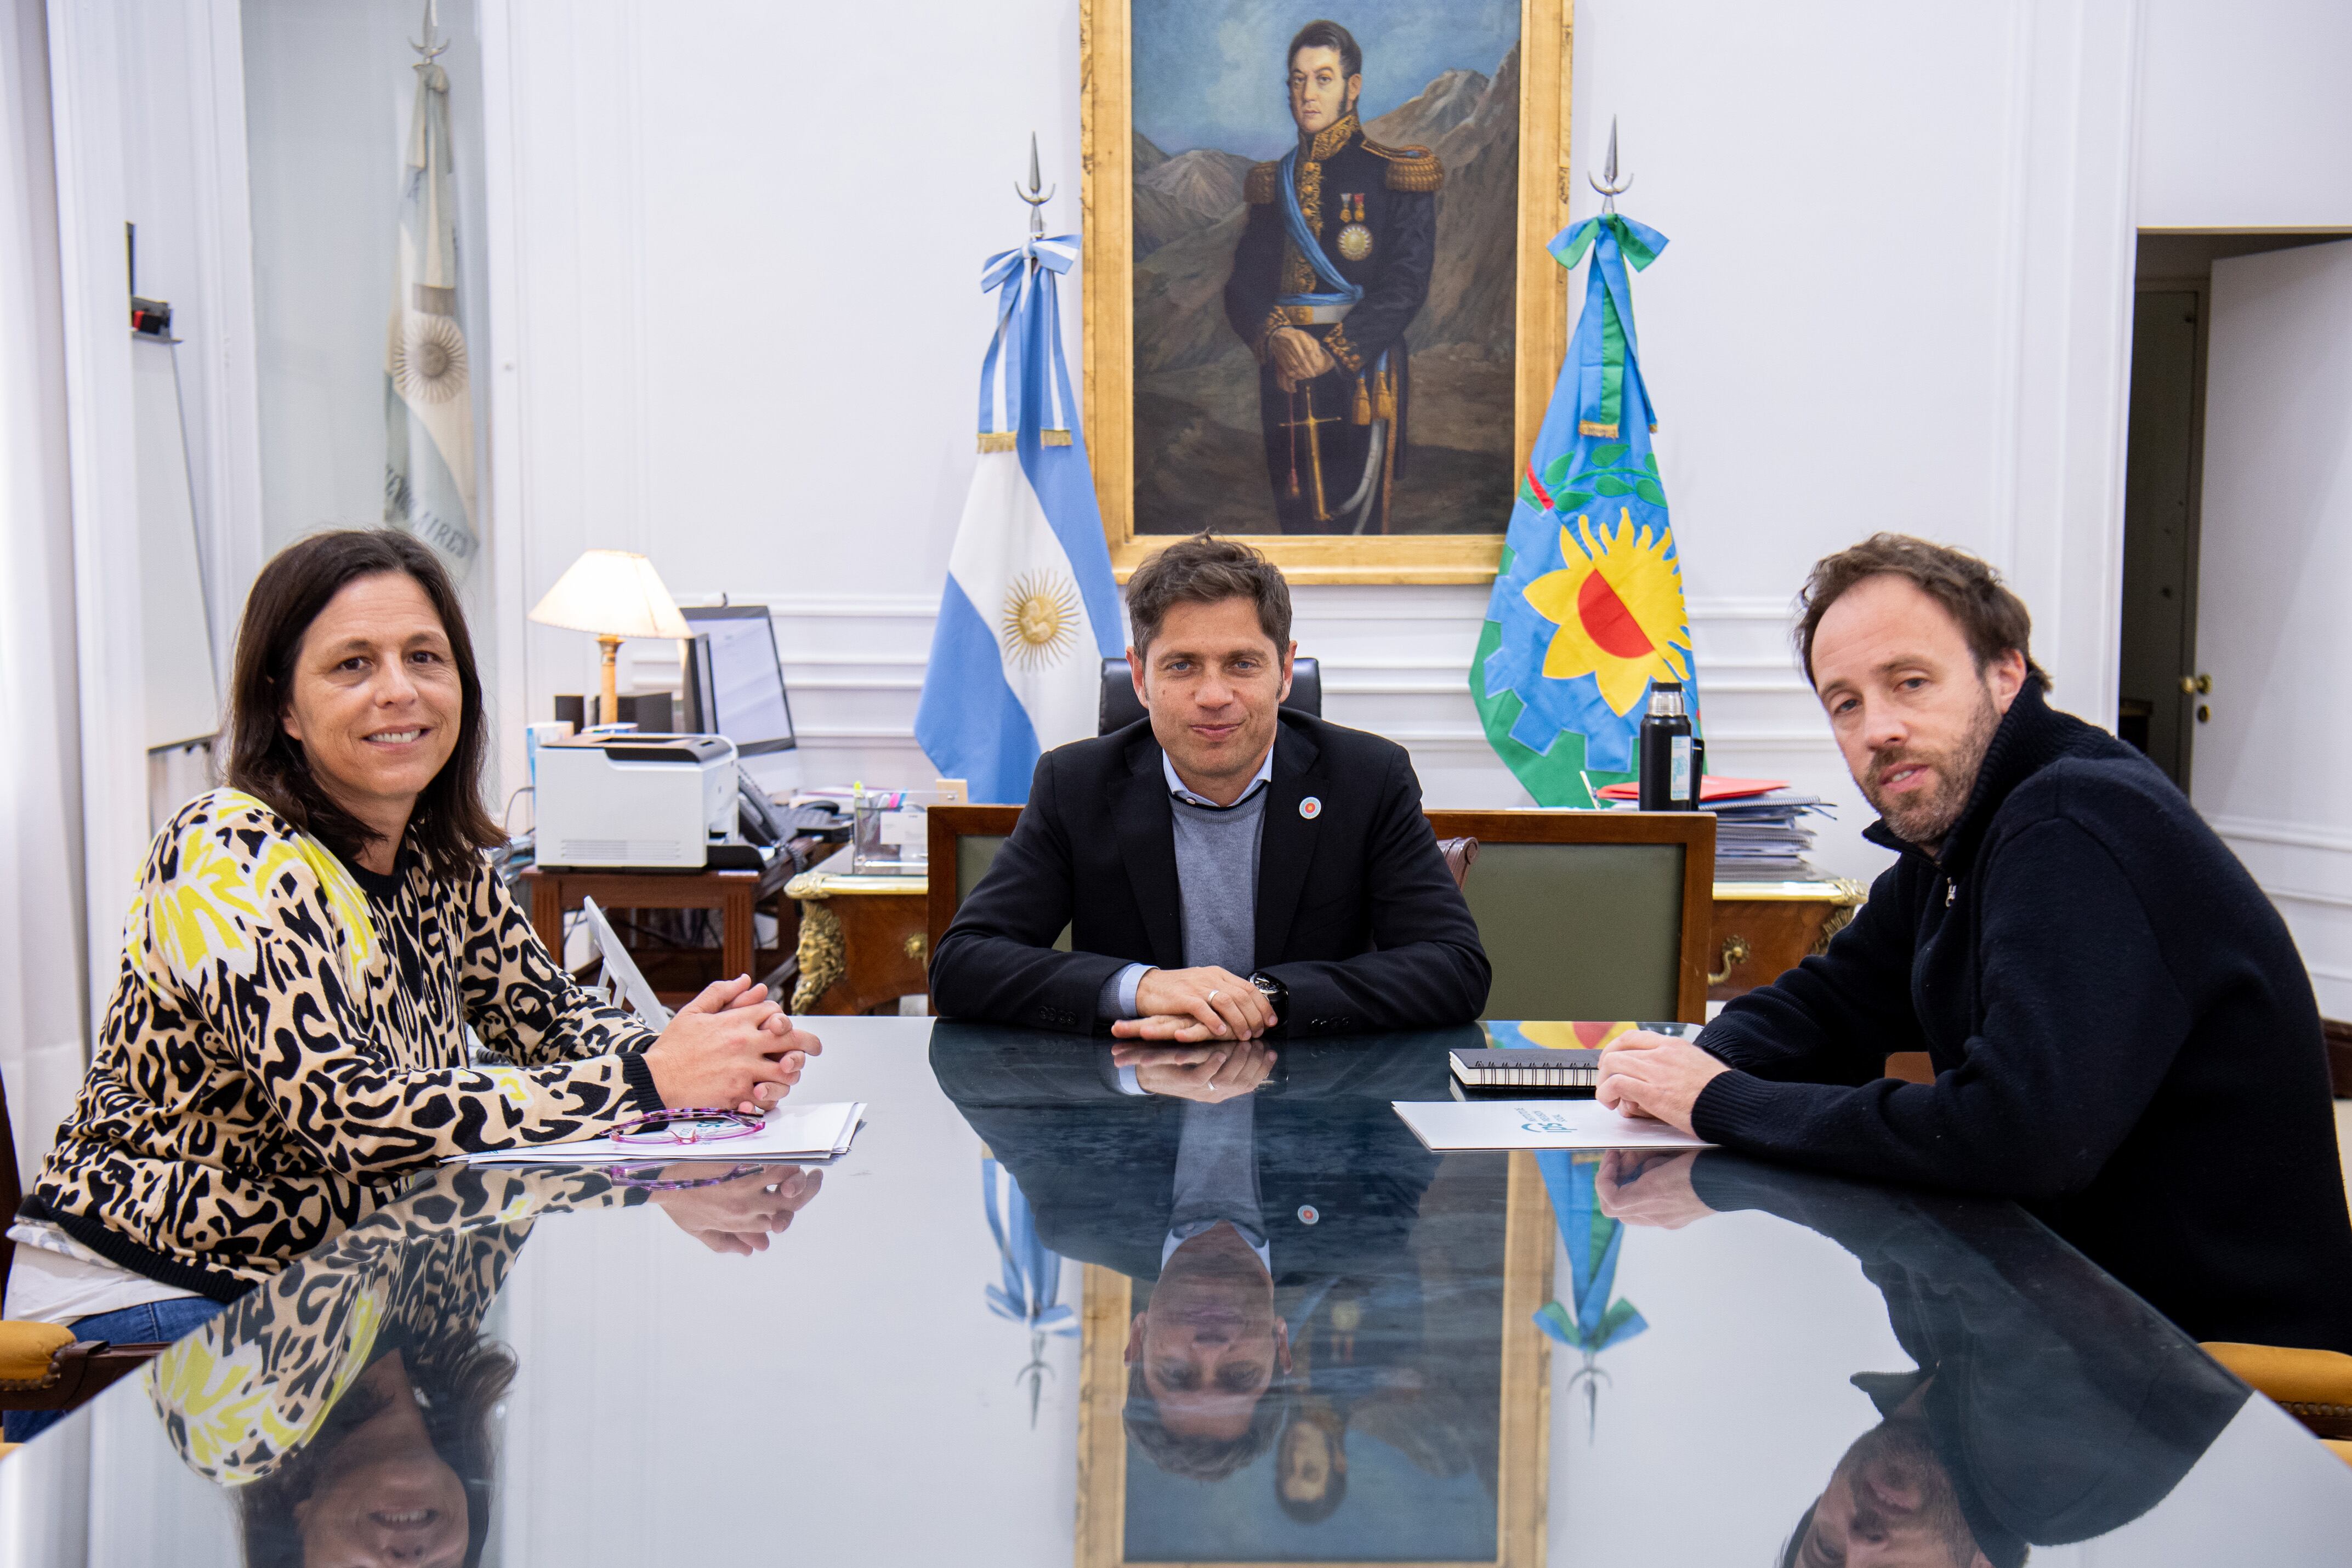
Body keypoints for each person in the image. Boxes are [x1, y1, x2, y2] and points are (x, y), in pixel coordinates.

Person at [7, 530, 822, 1405]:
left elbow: (548, 1019)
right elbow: (349, 1116)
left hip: (330, 1294)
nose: (398, 690)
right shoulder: (228, 849)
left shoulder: (440, 857)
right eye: (352, 664)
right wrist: (652, 1081)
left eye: (423, 657)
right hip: (161, 1294)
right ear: (283, 706)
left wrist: (707, 1055)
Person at [1594, 533, 2352, 1351]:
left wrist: (1718, 1099)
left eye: (1909, 682)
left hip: (2211, 1381)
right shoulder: (1958, 831)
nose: (1878, 728)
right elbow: (1833, 1001)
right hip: (2069, 1325)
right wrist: (1697, 1066)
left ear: (2005, 674)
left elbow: (2016, 1135)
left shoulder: (2071, 823)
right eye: (1844, 702)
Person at [928, 532, 1489, 1039]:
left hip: (1315, 1109)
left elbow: (1453, 968)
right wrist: (1141, 988)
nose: (1214, 694)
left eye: (1243, 664)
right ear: (1141, 676)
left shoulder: (1367, 778)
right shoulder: (1076, 784)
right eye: (1182, 666)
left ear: (1285, 672)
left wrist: (1267, 999)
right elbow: (963, 965)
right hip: (1131, 1111)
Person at [1598, 1149, 2248, 1567]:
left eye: (1825, 1549)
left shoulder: (1927, 1347)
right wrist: (1723, 1178)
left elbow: (1891, 1189)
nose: (1860, 1543)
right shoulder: (2045, 1496)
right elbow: (1962, 1237)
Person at [930, 1019, 1459, 1482]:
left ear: (1138, 1339)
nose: (1209, 1349)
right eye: (1238, 1377)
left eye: (1179, 1374)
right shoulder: (1361, 1229)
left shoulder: (1081, 1214)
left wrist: (1133, 1057)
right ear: (1281, 1348)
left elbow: (963, 1061)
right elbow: (1443, 1058)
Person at [1223, 19, 1440, 534]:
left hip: (1359, 372)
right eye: (1297, 80)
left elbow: (1406, 283)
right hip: (1284, 370)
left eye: (1323, 78)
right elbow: (1242, 287)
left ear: (1353, 87)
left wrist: (1334, 350)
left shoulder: (1394, 174)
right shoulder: (1272, 184)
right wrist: (1276, 336)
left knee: (1356, 528)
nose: (1307, 93)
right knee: (1295, 525)